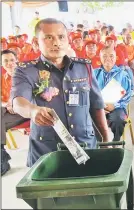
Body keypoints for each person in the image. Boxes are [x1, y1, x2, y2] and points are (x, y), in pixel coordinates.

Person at [11, 18, 110, 167]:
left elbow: (96, 105)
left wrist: (106, 139)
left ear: (67, 40)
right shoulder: (26, 71)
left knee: (89, 188)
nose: (56, 42)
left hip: (86, 146)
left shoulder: (84, 67)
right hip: (47, 152)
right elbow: (18, 102)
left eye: (61, 37)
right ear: (36, 43)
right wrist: (32, 111)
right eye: (49, 37)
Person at [94, 47, 133, 142]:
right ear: (100, 58)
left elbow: (127, 95)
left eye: (111, 56)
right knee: (86, 118)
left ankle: (115, 143)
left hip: (117, 108)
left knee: (118, 120)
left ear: (116, 58)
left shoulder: (123, 75)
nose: (108, 59)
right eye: (104, 56)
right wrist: (100, 107)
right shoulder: (94, 74)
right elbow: (90, 93)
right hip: (99, 107)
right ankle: (98, 143)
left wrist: (114, 105)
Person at [1, 50, 28, 175]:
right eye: (5, 61)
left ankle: (2, 158)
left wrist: (14, 102)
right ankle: (2, 157)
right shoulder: (2, 79)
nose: (9, 63)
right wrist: (6, 103)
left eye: (12, 60)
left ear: (16, 60)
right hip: (8, 113)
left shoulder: (25, 75)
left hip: (24, 110)